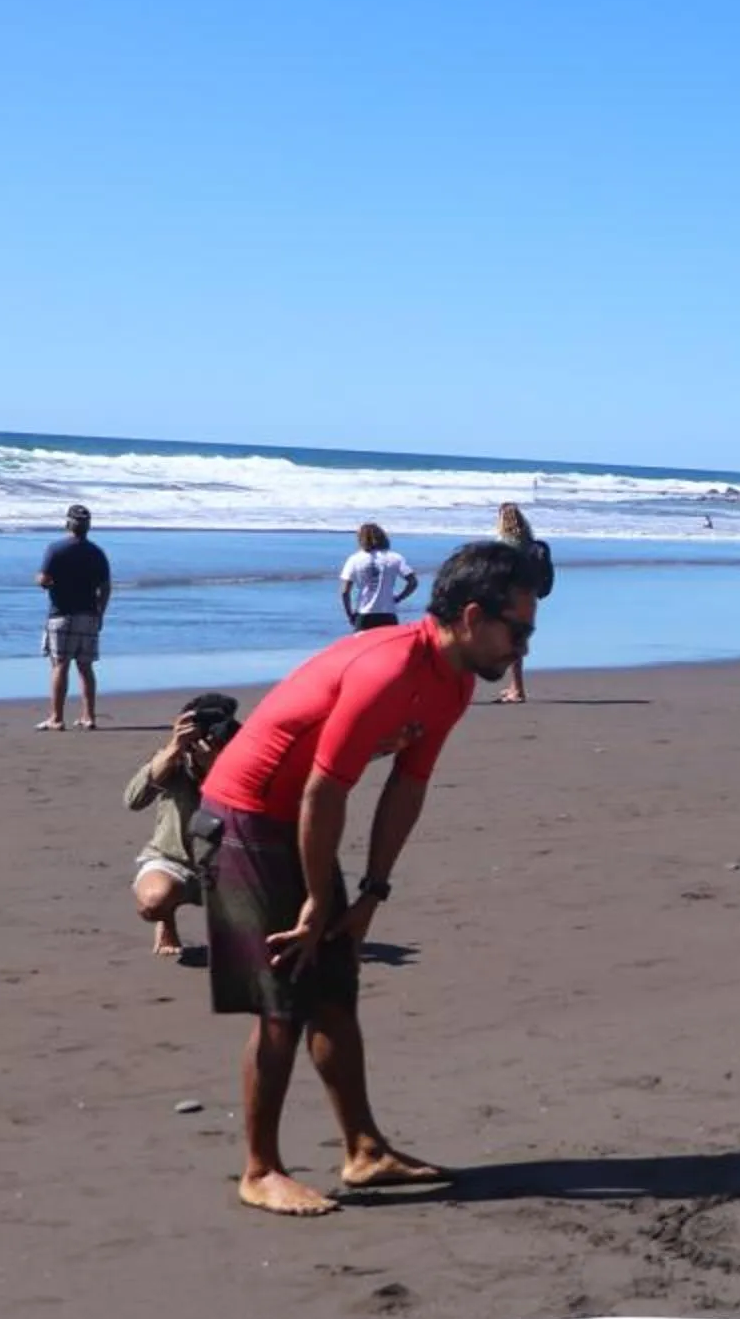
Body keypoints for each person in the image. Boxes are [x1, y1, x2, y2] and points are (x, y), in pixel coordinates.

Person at [189, 540, 536, 1214]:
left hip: (298, 819)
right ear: (472, 616)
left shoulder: (454, 681)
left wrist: (373, 891)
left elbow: (408, 786)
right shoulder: (386, 669)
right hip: (246, 816)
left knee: (335, 990)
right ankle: (260, 1170)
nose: (522, 647)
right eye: (516, 630)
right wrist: (321, 897)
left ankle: (365, 1152)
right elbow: (325, 788)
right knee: (284, 997)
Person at [128, 694, 238, 957]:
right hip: (173, 861)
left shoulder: (241, 762)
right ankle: (166, 919)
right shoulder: (172, 760)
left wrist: (216, 770)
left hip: (231, 865)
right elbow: (133, 800)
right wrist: (174, 748)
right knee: (154, 902)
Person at [37, 504, 111, 731]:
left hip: (62, 613)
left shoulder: (56, 549)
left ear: (68, 523)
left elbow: (44, 579)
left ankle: (57, 717)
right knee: (85, 667)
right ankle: (88, 716)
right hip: (88, 613)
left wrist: (42, 580)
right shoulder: (96, 552)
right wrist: (100, 612)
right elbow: (105, 587)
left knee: (60, 665)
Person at [492, 503, 554, 702]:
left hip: (510, 597)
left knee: (512, 641)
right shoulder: (531, 543)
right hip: (530, 597)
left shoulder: (505, 543)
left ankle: (517, 689)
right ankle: (515, 686)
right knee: (517, 639)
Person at [339, 523, 418, 631]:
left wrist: (350, 614)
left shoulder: (354, 559)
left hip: (364, 614)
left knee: (364, 647)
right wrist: (399, 598)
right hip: (388, 614)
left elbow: (345, 591)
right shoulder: (395, 558)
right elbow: (413, 582)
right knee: (388, 647)